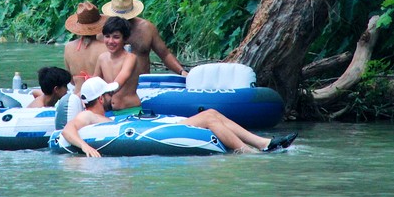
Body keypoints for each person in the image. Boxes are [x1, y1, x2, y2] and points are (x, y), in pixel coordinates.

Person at [62, 77, 298, 157]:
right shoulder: (89, 117)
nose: (112, 96)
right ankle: (246, 151)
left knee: (212, 113)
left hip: (151, 126)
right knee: (208, 118)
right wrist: (84, 147)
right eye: (109, 93)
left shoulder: (104, 115)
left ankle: (263, 143)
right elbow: (68, 130)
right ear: (101, 98)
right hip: (150, 133)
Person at [102, 0, 186, 76]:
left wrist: (182, 72)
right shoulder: (104, 30)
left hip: (143, 83)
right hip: (113, 84)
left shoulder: (146, 28)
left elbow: (165, 54)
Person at [93, 16, 140, 115]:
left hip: (130, 111)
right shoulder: (102, 58)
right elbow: (94, 82)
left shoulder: (130, 58)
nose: (110, 41)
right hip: (109, 111)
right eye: (107, 36)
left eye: (116, 37)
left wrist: (103, 92)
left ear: (125, 38)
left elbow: (118, 83)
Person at [63, 1, 107, 92]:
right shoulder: (105, 48)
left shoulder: (68, 47)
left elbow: (71, 81)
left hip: (77, 96)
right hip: (98, 97)